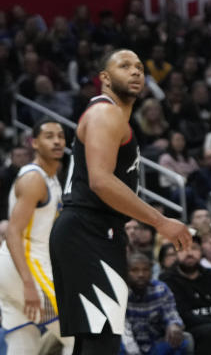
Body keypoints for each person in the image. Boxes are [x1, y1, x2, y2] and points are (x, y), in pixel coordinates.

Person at [51, 49, 191, 355]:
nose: (136, 71)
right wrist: (160, 221)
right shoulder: (106, 112)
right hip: (88, 229)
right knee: (103, 340)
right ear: (104, 77)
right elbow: (101, 181)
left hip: (89, 229)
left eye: (140, 67)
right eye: (125, 66)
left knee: (91, 340)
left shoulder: (113, 117)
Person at [0, 120, 74, 354]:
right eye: (49, 136)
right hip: (27, 268)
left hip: (12, 269)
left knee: (23, 344)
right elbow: (13, 231)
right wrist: (28, 285)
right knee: (82, 337)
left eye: (60, 136)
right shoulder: (34, 180)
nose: (56, 141)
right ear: (34, 143)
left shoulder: (50, 178)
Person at [125, 251, 190, 355]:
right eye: (134, 270)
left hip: (156, 344)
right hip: (129, 344)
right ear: (126, 272)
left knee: (181, 341)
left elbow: (171, 313)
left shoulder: (160, 289)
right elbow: (123, 329)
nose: (141, 275)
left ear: (151, 272)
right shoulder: (121, 292)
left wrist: (173, 325)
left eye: (145, 270)